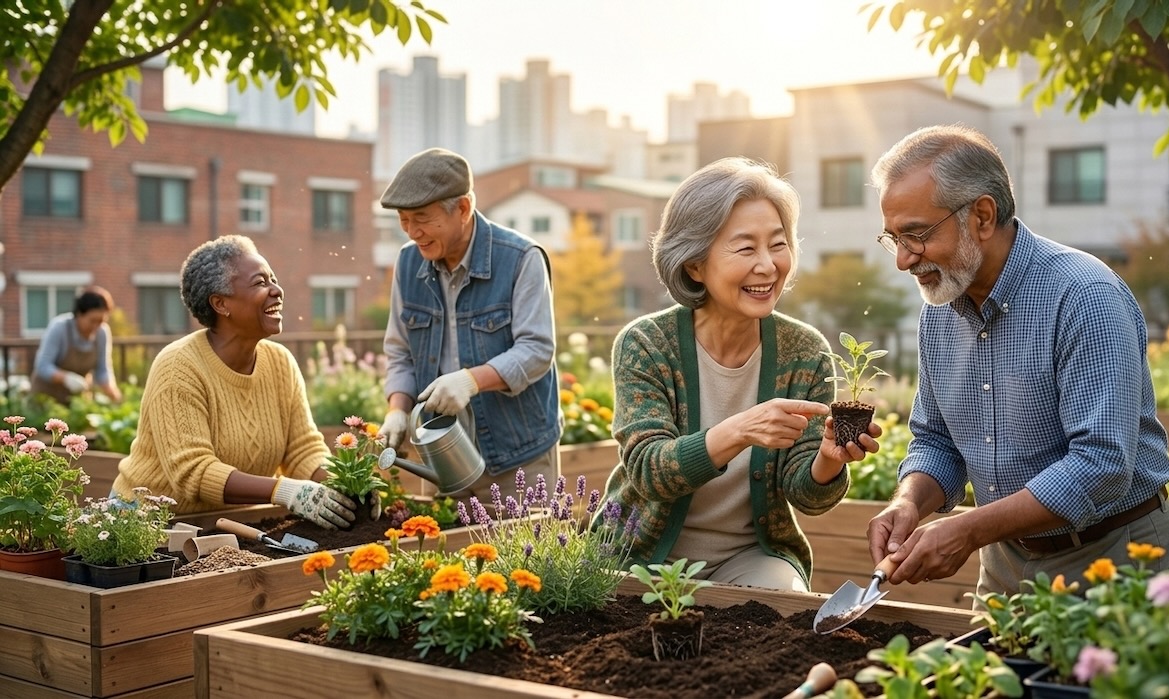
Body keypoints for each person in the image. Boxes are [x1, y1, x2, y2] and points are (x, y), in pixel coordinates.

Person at [866, 125, 1169, 598]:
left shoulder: (1084, 296)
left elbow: (1101, 465)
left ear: (982, 216)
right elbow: (937, 440)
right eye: (894, 238)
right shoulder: (940, 310)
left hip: (1114, 553)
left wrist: (970, 529)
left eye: (916, 235)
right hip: (1005, 558)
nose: (903, 260)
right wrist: (908, 502)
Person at [597, 157, 882, 592]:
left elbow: (807, 497)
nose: (767, 265)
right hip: (643, 555)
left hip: (747, 557)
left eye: (778, 244)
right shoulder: (647, 344)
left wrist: (828, 459)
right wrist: (741, 429)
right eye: (746, 249)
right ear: (694, 264)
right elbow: (649, 471)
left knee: (786, 602)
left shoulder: (804, 351)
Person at [112, 235, 356, 528]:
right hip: (144, 525)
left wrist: (346, 484)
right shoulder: (179, 366)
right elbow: (194, 472)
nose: (277, 291)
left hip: (231, 523)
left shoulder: (280, 363)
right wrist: (286, 491)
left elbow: (303, 450)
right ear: (220, 303)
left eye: (274, 280)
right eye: (260, 283)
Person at [379, 148, 561, 500]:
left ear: (463, 208)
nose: (413, 232)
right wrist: (397, 410)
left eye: (421, 218)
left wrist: (470, 381)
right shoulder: (407, 263)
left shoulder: (521, 258)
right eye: (403, 220)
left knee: (528, 539)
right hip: (441, 454)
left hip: (517, 454)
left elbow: (537, 350)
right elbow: (400, 352)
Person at [30, 286, 123, 404]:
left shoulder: (102, 332)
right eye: (92, 321)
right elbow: (43, 366)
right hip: (46, 399)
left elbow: (102, 370)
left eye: (101, 321)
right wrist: (66, 378)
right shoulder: (59, 328)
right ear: (79, 314)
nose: (96, 326)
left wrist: (114, 395)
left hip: (77, 401)